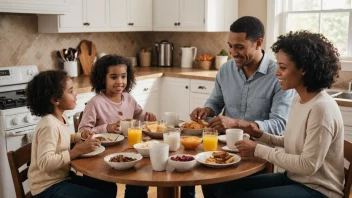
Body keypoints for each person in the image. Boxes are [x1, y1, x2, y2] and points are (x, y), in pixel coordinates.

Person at [203, 30, 344, 198]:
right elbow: (293, 143)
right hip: (295, 179)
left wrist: (258, 149)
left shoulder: (322, 108)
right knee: (218, 186)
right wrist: (260, 134)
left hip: (318, 190)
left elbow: (308, 165)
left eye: (283, 67)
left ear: (304, 70)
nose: (277, 72)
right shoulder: (300, 99)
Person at [190, 16, 295, 136]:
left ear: (258, 43)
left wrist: (236, 124)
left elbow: (279, 125)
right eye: (230, 46)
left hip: (261, 147)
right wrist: (206, 111)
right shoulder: (225, 70)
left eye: (239, 47)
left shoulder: (279, 76)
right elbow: (216, 102)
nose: (233, 53)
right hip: (224, 143)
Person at [26, 70, 117, 198]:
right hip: (46, 188)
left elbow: (61, 140)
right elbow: (44, 162)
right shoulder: (49, 125)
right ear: (55, 99)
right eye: (70, 91)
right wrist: (76, 151)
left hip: (62, 178)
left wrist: (80, 136)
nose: (76, 94)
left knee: (109, 187)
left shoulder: (60, 118)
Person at [78, 54, 157, 198]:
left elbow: (139, 115)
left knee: (141, 177)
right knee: (107, 188)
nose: (120, 82)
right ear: (103, 78)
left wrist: (147, 117)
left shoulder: (128, 98)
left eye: (123, 76)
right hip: (101, 156)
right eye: (114, 77)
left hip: (127, 150)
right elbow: (83, 131)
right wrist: (106, 128)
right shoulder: (95, 103)